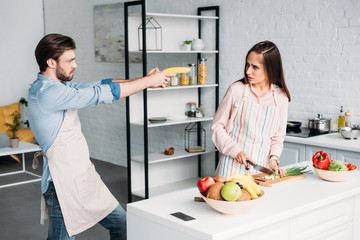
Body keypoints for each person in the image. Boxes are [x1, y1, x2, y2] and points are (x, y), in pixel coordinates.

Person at [28, 33, 172, 240]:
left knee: (123, 225)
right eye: (70, 60)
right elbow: (100, 95)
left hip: (84, 177)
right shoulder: (47, 93)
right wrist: (148, 81)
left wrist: (146, 81)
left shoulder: (59, 87)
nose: (75, 64)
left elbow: (101, 85)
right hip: (63, 186)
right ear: (51, 62)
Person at [211, 40, 291, 177]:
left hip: (262, 169)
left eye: (255, 67)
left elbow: (278, 136)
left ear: (270, 68)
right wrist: (236, 151)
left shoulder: (281, 97)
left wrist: (274, 160)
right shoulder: (236, 90)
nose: (248, 71)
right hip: (232, 166)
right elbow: (217, 127)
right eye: (247, 65)